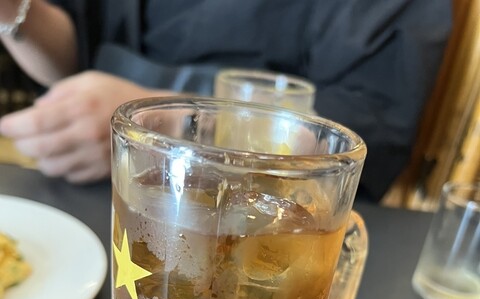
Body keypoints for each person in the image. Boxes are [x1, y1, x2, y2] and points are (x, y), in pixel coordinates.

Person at [0, 0, 451, 200]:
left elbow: (370, 122)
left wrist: (168, 126)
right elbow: (76, 49)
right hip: (96, 198)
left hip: (267, 217)